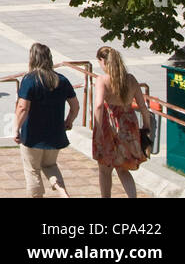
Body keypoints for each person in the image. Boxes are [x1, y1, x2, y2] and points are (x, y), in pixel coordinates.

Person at [14, 43, 79, 198]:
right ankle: (63, 193)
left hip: (32, 135)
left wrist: (16, 128)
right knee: (50, 166)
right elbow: (75, 106)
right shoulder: (61, 80)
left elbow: (23, 107)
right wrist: (69, 121)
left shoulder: (30, 80)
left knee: (32, 170)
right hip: (55, 134)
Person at [93, 46, 152, 199]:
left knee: (105, 168)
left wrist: (99, 129)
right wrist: (146, 126)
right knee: (123, 168)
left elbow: (99, 105)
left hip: (110, 126)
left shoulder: (102, 80)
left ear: (103, 61)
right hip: (129, 125)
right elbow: (143, 106)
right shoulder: (131, 79)